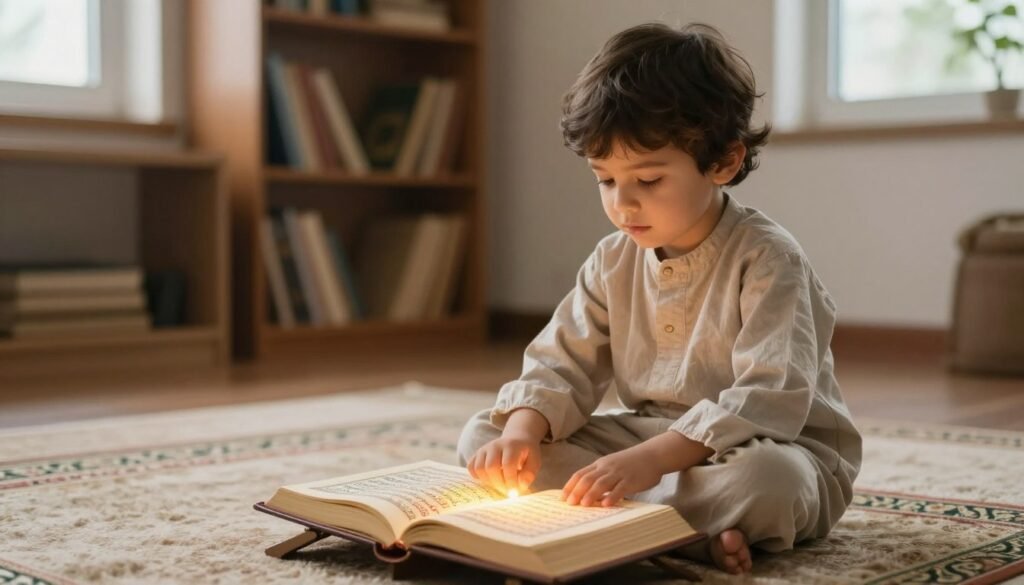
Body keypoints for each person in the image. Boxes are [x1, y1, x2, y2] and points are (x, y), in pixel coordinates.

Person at [456, 22, 861, 575]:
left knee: (769, 484)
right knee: (487, 436)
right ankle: (679, 535)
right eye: (605, 180)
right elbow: (559, 364)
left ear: (723, 163)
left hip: (766, 449)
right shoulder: (611, 259)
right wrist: (523, 432)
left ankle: (629, 526)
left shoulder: (770, 260)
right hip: (645, 442)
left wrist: (650, 462)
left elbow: (771, 397)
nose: (623, 205)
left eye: (647, 181)